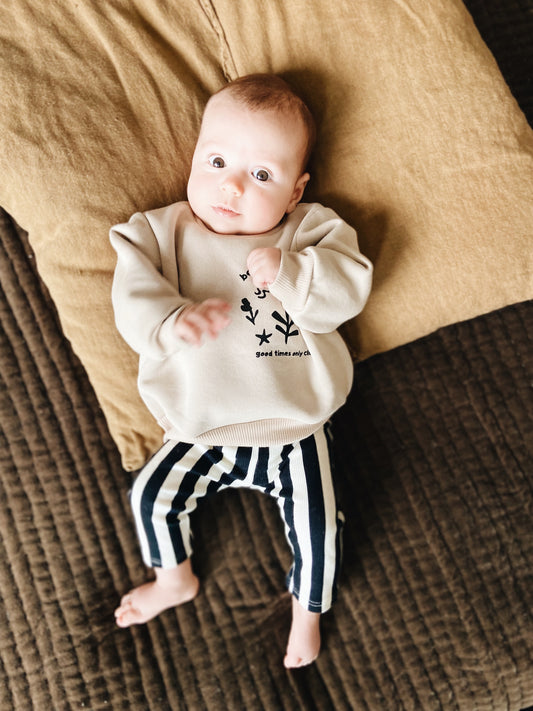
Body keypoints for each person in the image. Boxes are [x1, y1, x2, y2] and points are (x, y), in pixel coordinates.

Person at [110, 73, 373, 668]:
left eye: (261, 175)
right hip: (199, 428)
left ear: (296, 189)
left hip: (293, 429)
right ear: (195, 157)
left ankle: (308, 609)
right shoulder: (158, 234)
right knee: (151, 496)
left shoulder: (309, 231)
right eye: (219, 161)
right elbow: (130, 296)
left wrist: (291, 273)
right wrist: (169, 322)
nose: (232, 186)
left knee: (321, 535)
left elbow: (348, 289)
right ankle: (173, 576)